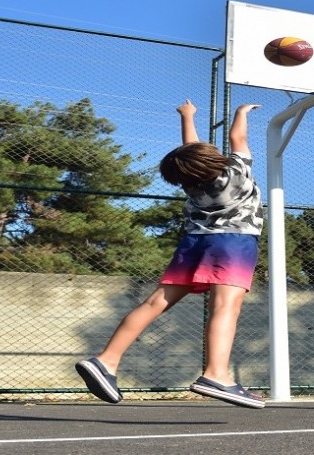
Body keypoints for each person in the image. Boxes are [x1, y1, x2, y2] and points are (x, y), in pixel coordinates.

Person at [76, 99, 265, 409]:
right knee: (225, 309)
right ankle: (217, 374)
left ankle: (106, 361)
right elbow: (237, 139)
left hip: (193, 243)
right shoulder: (236, 170)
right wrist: (241, 113)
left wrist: (187, 115)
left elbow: (191, 151)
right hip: (233, 243)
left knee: (154, 302)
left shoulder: (192, 184)